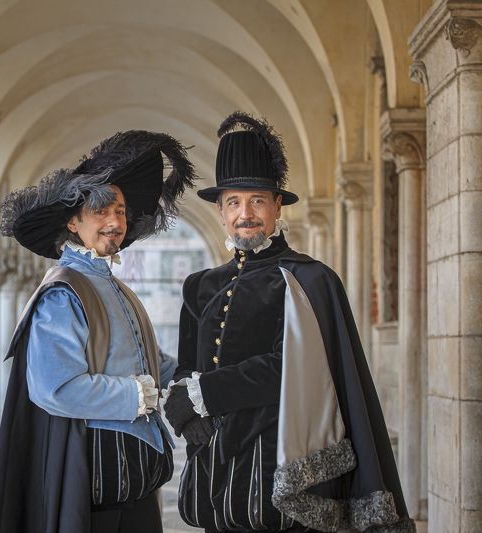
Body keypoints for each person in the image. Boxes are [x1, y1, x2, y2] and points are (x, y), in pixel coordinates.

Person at [163, 111, 415, 532]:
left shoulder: (309, 278)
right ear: (222, 211)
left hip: (281, 466)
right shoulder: (199, 286)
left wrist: (203, 393)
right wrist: (190, 416)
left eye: (257, 200)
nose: (246, 213)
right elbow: (190, 366)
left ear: (278, 205)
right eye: (234, 202)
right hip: (215, 470)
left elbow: (291, 366)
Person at [0, 131, 197, 533]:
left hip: (135, 488)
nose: (115, 222)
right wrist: (135, 395)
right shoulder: (63, 292)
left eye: (120, 210)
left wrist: (192, 378)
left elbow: (145, 361)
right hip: (98, 486)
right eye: (100, 211)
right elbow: (55, 388)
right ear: (73, 221)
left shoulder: (113, 285)